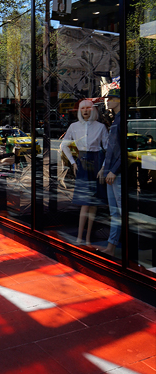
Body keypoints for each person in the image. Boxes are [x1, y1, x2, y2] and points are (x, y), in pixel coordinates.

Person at [60, 99, 109, 246]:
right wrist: (73, 162)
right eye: (83, 108)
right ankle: (80, 237)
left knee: (93, 204)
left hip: (97, 162)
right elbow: (64, 145)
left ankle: (87, 238)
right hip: (83, 163)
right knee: (85, 203)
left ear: (93, 110)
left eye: (88, 108)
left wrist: (103, 167)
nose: (86, 111)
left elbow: (107, 149)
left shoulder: (100, 127)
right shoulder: (74, 126)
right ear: (79, 111)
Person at [99, 89, 122, 257]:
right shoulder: (115, 120)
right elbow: (111, 150)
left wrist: (113, 170)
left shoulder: (122, 120)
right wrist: (104, 168)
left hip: (116, 174)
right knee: (114, 212)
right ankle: (111, 247)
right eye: (108, 98)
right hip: (110, 172)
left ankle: (122, 250)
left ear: (120, 100)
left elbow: (124, 150)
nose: (108, 101)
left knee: (121, 211)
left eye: (112, 98)